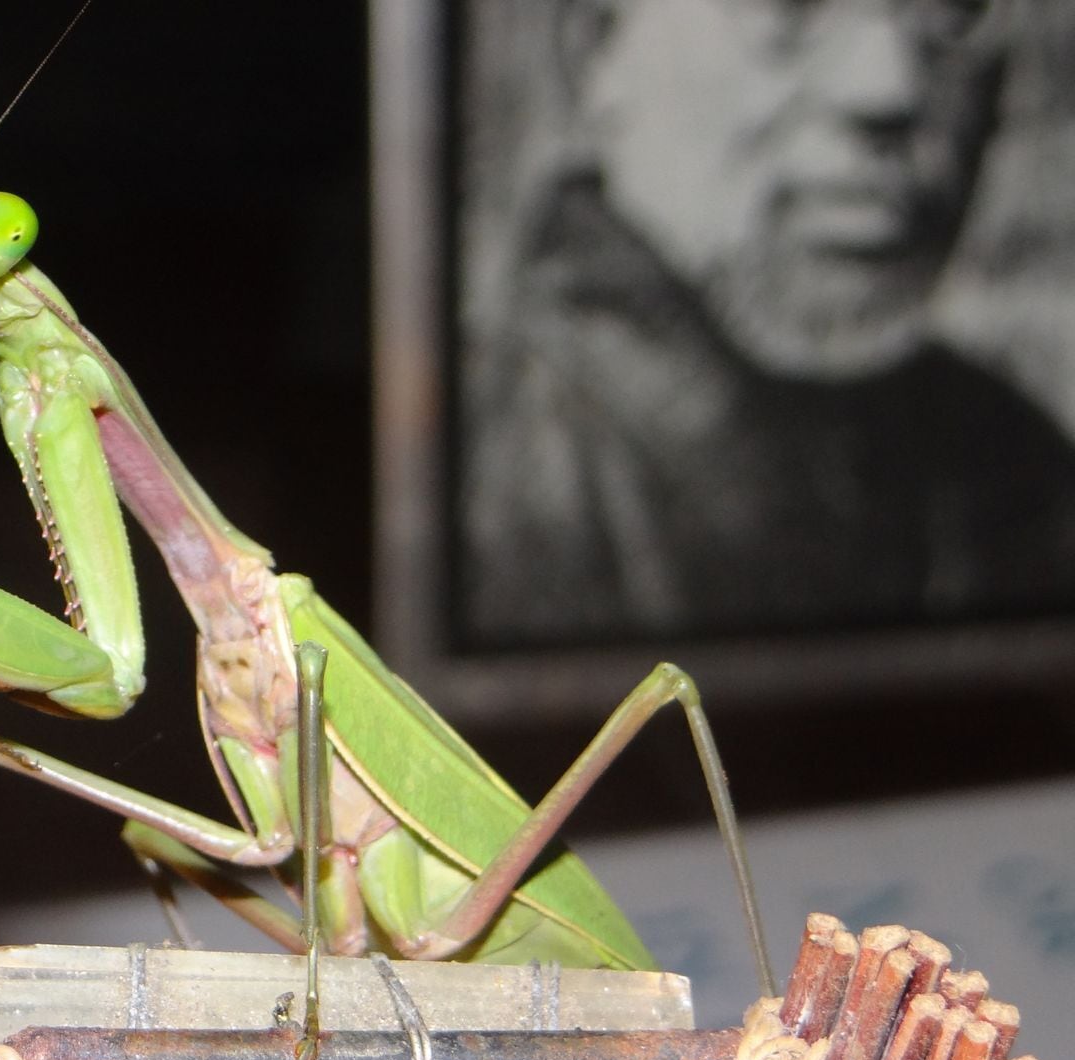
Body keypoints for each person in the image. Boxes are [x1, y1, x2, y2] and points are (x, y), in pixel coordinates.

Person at [460, 0, 1075, 646]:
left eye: (953, 8)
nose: (892, 83)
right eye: (789, 9)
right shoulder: (490, 478)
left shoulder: (1016, 468)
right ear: (595, 50)